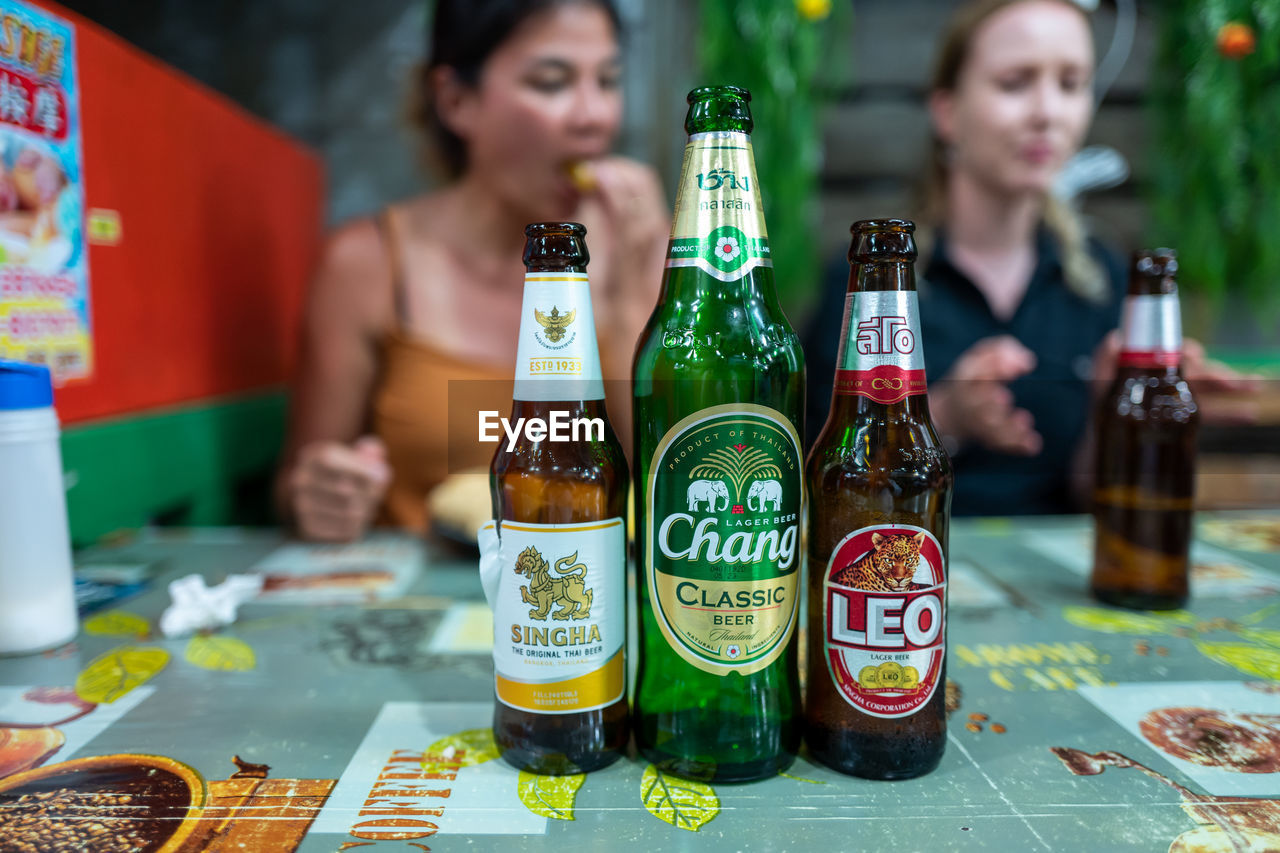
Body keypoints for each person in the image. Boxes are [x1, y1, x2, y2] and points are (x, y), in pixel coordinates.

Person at [804, 0, 1255, 516]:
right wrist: (943, 419)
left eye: (1071, 83)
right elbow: (816, 489)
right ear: (948, 111)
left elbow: (1092, 499)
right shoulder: (871, 284)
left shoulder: (1103, 280)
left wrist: (1117, 412)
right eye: (1015, 82)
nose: (1047, 112)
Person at [275, 0, 668, 542]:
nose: (595, 115)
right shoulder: (367, 265)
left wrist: (629, 300)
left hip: (589, 603)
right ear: (457, 101)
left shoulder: (648, 252)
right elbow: (297, 486)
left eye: (607, 81)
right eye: (552, 82)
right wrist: (322, 494)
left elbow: (668, 486)